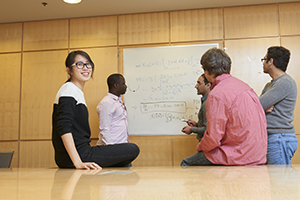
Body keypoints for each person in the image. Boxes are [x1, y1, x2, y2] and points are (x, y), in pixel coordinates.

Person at [52, 50, 140, 169]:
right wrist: (78, 162)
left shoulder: (75, 91)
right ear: (69, 70)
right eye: (79, 64)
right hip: (78, 155)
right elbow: (63, 126)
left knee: (125, 158)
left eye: (88, 64)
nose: (86, 68)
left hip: (80, 153)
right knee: (132, 149)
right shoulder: (69, 90)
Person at [182, 48, 267, 166]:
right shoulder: (246, 87)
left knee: (185, 163)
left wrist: (200, 147)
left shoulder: (217, 94)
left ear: (207, 72)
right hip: (258, 155)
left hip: (237, 156)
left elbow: (213, 138)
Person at [259, 46, 298, 165]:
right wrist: (263, 109)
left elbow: (258, 104)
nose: (263, 63)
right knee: (277, 180)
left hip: (280, 138)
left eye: (264, 59)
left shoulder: (284, 82)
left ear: (270, 61)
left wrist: (262, 107)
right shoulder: (270, 85)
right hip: (274, 138)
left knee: (280, 181)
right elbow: (256, 106)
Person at [180, 74, 211, 166]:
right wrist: (197, 125)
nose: (195, 86)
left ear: (208, 85)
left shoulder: (207, 103)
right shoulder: (206, 101)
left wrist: (192, 129)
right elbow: (208, 125)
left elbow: (208, 129)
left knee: (185, 163)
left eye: (199, 83)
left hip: (208, 148)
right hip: (205, 146)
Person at [96, 74, 129, 146]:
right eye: (123, 84)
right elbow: (105, 129)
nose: (125, 86)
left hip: (120, 146)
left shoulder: (117, 102)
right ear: (116, 85)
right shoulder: (107, 103)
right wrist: (112, 149)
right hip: (112, 147)